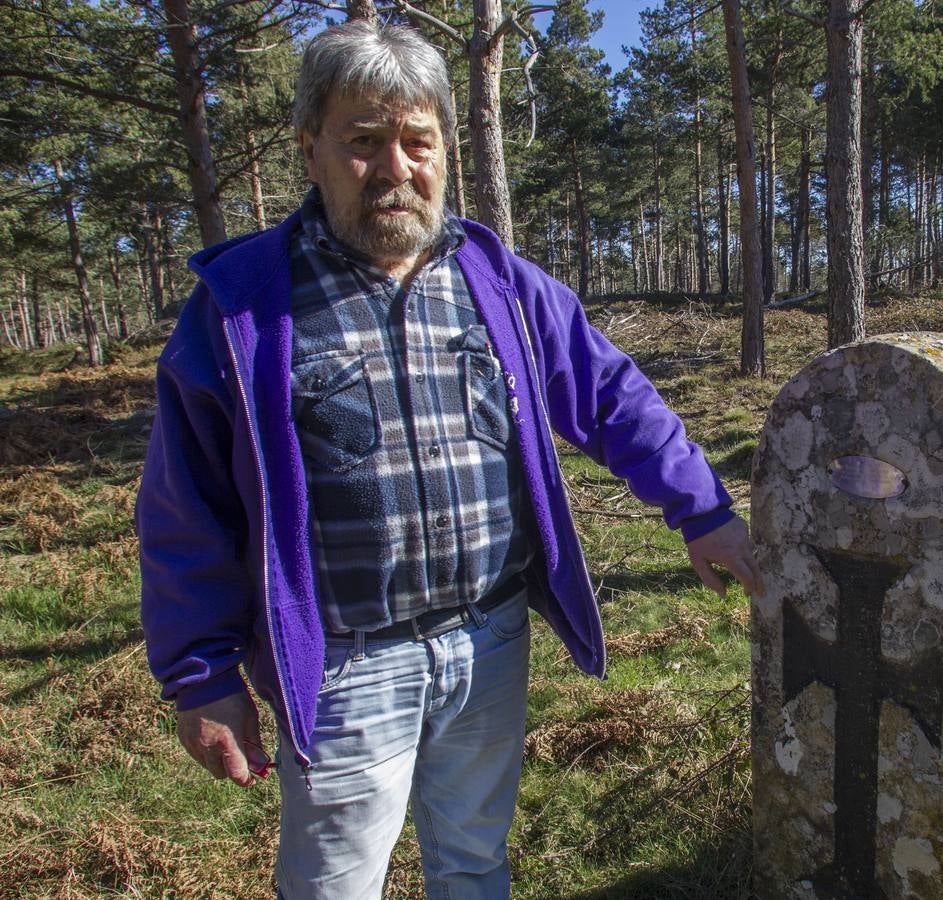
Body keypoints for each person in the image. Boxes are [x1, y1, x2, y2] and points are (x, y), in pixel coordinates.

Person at [136, 20, 761, 899]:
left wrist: (702, 509)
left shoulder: (497, 281)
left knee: (473, 862)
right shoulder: (241, 309)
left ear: (445, 151)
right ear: (311, 147)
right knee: (334, 886)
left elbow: (611, 395)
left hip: (489, 638)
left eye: (417, 142)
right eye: (363, 142)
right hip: (346, 665)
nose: (395, 169)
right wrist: (200, 677)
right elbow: (183, 508)